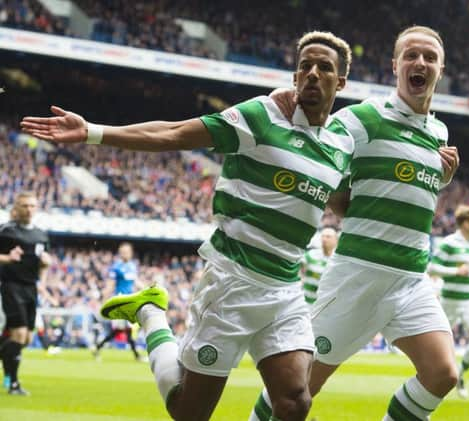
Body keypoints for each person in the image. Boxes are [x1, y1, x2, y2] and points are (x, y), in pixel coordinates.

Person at [21, 31, 353, 421]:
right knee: (188, 411)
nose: (312, 73)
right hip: (233, 282)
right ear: (295, 76)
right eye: (304, 66)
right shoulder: (262, 116)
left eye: (324, 68)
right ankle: (150, 314)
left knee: (295, 401)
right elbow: (174, 133)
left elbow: (345, 203)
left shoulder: (341, 145)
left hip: (284, 289)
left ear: (341, 82)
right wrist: (94, 132)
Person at [252, 25, 460, 421]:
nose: (421, 63)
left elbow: (407, 188)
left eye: (430, 57)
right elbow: (317, 144)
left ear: (441, 68)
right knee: (298, 389)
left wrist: (441, 178)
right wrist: (289, 106)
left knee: (442, 373)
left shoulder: (438, 131)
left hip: (410, 279)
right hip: (358, 276)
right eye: (412, 56)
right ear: (395, 65)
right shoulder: (364, 118)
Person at [427, 205, 469, 399]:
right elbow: (431, 268)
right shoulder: (449, 243)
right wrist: (455, 271)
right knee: (437, 347)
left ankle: (460, 373)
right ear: (466, 223)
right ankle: (433, 379)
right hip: (450, 301)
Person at [0, 191, 51, 395]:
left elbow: (44, 264)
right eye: (24, 206)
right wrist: (7, 257)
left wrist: (43, 277)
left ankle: (8, 362)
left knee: (27, 339)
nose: (28, 209)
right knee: (18, 334)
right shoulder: (6, 232)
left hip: (31, 288)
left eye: (32, 206)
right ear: (17, 208)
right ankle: (13, 384)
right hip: (10, 285)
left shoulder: (41, 235)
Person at [93, 242, 145, 361]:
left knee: (121, 330)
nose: (125, 254)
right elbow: (110, 285)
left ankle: (98, 347)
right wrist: (103, 299)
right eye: (123, 252)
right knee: (126, 329)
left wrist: (147, 289)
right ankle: (137, 355)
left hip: (130, 301)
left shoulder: (132, 265)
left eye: (127, 251)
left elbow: (136, 281)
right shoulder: (116, 267)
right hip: (120, 301)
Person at [301, 226, 338, 305]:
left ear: (336, 240)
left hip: (321, 302)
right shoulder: (310, 255)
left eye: (328, 237)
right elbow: (300, 274)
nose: (324, 239)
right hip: (304, 301)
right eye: (323, 236)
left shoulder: (336, 261)